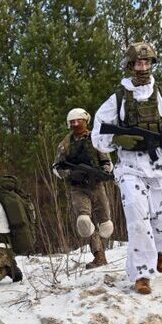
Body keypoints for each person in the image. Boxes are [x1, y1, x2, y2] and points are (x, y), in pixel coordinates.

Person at [92, 41, 162, 295]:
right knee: (136, 216)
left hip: (160, 165)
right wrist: (117, 140)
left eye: (146, 63)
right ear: (131, 65)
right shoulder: (119, 97)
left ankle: (161, 248)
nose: (142, 67)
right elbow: (98, 131)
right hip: (131, 166)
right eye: (138, 63)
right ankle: (142, 275)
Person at [53, 108, 114, 269]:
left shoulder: (96, 139)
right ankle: (98, 255)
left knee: (106, 224)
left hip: (96, 184)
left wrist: (105, 171)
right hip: (78, 187)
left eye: (78, 120)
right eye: (72, 122)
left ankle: (102, 254)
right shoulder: (65, 144)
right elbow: (57, 167)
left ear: (85, 121)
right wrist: (69, 172)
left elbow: (106, 161)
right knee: (84, 221)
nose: (75, 124)